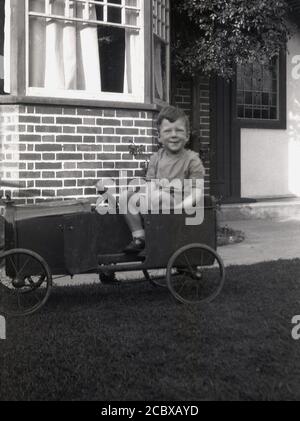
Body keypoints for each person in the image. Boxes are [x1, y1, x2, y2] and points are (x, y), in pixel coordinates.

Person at [121, 105, 205, 254]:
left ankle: (155, 240)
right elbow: (150, 186)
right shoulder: (156, 158)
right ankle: (140, 237)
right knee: (126, 196)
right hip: (156, 204)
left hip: (181, 208)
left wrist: (180, 207)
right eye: (167, 131)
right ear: (159, 137)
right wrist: (143, 200)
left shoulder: (192, 160)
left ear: (187, 136)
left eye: (179, 130)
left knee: (160, 196)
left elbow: (196, 192)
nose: (174, 135)